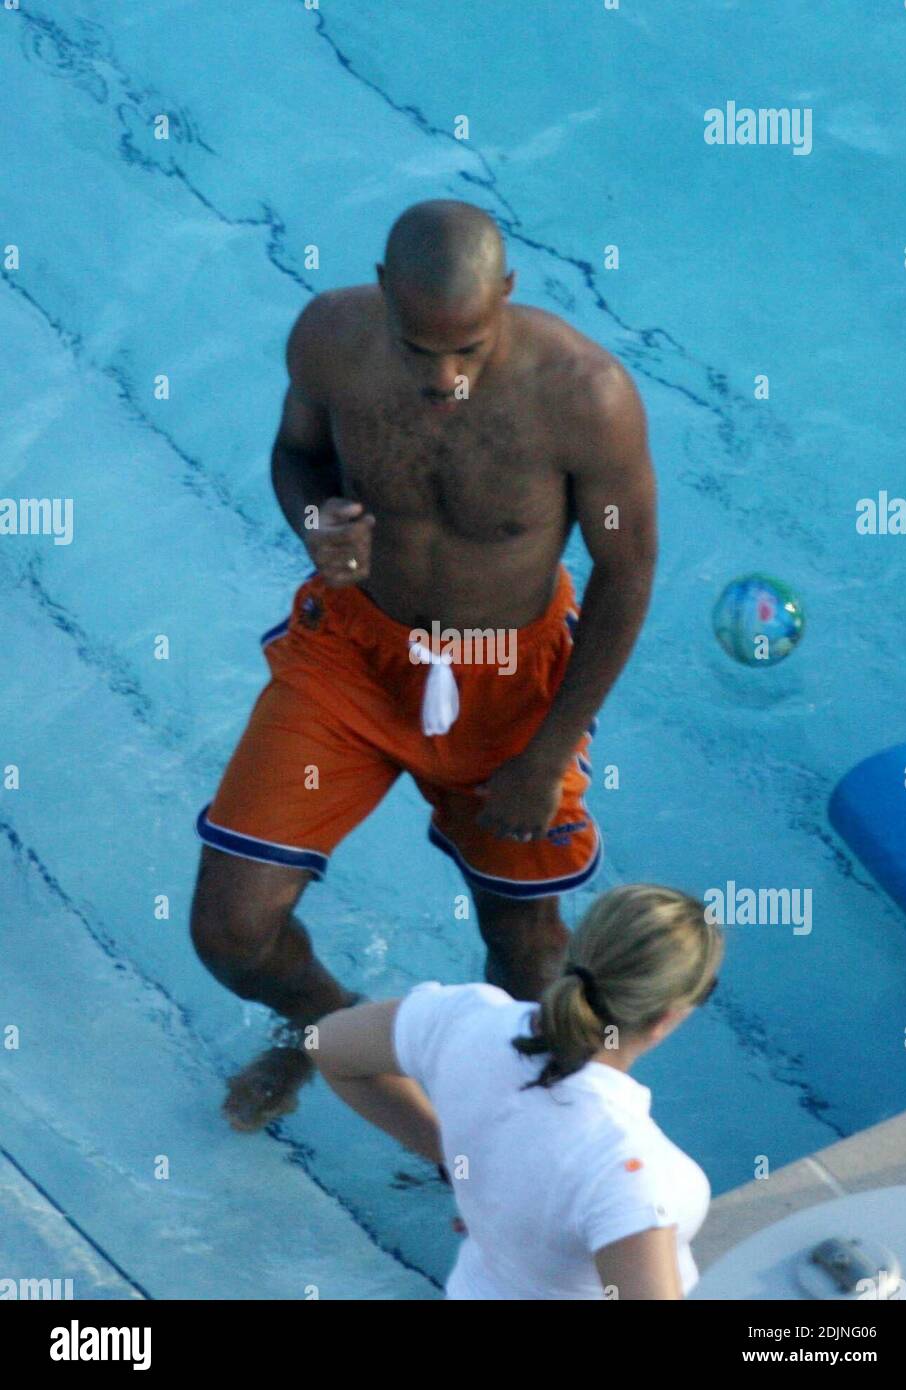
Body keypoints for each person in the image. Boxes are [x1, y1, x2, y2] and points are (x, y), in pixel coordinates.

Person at [189, 198, 657, 1132]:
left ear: (509, 297)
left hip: (507, 680)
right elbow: (296, 456)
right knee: (232, 934)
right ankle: (335, 1038)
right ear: (381, 294)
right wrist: (315, 519)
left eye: (468, 352)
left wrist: (543, 750)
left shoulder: (583, 393)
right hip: (353, 656)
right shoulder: (330, 337)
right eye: (419, 351)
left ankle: (502, 1131)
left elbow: (626, 569)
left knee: (523, 948)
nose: (444, 380)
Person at [316, 884, 723, 1300]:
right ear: (665, 1017)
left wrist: (462, 1165)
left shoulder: (462, 1019)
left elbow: (324, 1044)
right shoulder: (631, 1169)